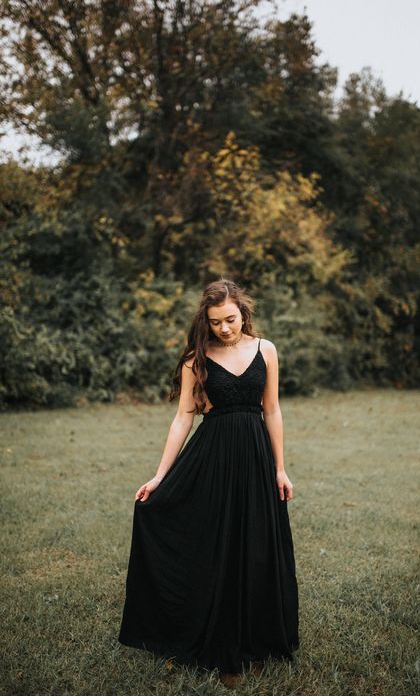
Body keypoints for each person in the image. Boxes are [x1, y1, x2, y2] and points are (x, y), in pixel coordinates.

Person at [118, 278, 299, 687]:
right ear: (207, 320)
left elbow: (272, 411)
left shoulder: (265, 350)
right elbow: (184, 416)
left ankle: (258, 641)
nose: (225, 329)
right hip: (213, 458)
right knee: (217, 547)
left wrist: (280, 468)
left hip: (255, 457)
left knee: (255, 546)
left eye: (231, 320)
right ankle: (224, 651)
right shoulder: (196, 359)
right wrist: (160, 476)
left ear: (243, 313)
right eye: (216, 322)